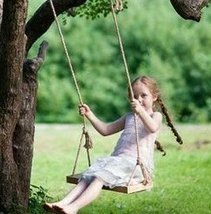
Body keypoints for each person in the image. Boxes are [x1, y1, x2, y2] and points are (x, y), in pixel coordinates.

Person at [43, 75, 183, 214]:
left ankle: (74, 208)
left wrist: (140, 112)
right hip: (118, 162)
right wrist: (89, 114)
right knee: (87, 177)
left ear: (154, 97)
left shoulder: (155, 116)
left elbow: (152, 127)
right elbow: (106, 130)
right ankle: (62, 203)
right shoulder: (129, 117)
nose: (139, 99)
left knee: (99, 178)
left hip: (136, 166)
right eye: (134, 96)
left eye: (143, 95)